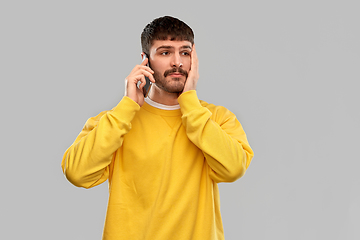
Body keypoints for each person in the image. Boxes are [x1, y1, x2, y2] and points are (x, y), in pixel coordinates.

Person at [62, 16, 254, 240]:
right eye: (165, 52)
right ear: (145, 60)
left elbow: (233, 169)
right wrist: (127, 107)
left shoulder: (217, 119)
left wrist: (190, 103)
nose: (177, 62)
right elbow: (77, 173)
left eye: (185, 52)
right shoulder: (116, 121)